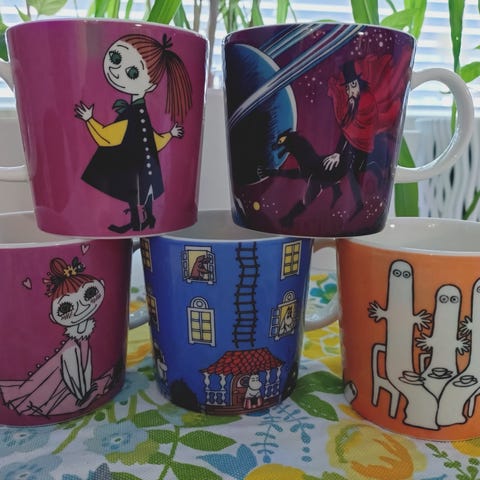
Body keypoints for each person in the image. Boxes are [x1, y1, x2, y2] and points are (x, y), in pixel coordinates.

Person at [75, 33, 193, 234]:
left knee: (139, 191)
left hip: (139, 164)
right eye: (115, 58)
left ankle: (144, 220)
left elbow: (110, 138)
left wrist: (89, 120)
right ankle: (141, 221)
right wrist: (170, 134)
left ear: (151, 86)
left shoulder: (134, 112)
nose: (116, 70)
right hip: (140, 163)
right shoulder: (137, 111)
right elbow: (130, 137)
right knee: (138, 191)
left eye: (132, 72)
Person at [0, 257, 117, 417]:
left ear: (102, 285)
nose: (81, 307)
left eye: (90, 293)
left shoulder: (82, 339)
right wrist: (83, 395)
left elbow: (86, 365)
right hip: (71, 388)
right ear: (53, 318)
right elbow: (72, 376)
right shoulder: (71, 348)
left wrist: (87, 387)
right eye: (66, 308)